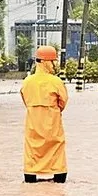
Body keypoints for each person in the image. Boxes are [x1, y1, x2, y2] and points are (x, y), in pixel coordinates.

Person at [20, 45, 68, 183]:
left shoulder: (27, 81)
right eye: (53, 61)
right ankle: (58, 175)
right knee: (56, 147)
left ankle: (31, 175)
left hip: (33, 123)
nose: (55, 65)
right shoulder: (56, 81)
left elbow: (24, 99)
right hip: (52, 122)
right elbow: (63, 102)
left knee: (32, 149)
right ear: (46, 62)